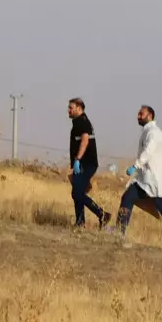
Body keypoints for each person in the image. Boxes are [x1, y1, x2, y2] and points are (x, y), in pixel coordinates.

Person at [112, 105, 162, 237]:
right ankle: (120, 231)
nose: (138, 116)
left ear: (150, 116)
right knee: (128, 197)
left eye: (141, 114)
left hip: (155, 179)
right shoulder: (147, 132)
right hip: (145, 178)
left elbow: (148, 151)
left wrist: (135, 166)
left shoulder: (154, 133)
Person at [67, 98, 112, 229]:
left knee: (77, 193)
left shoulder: (81, 122)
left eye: (71, 108)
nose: (68, 110)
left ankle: (102, 214)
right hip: (82, 163)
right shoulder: (79, 122)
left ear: (79, 109)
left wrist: (78, 160)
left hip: (86, 163)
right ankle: (80, 222)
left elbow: (85, 140)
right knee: (77, 192)